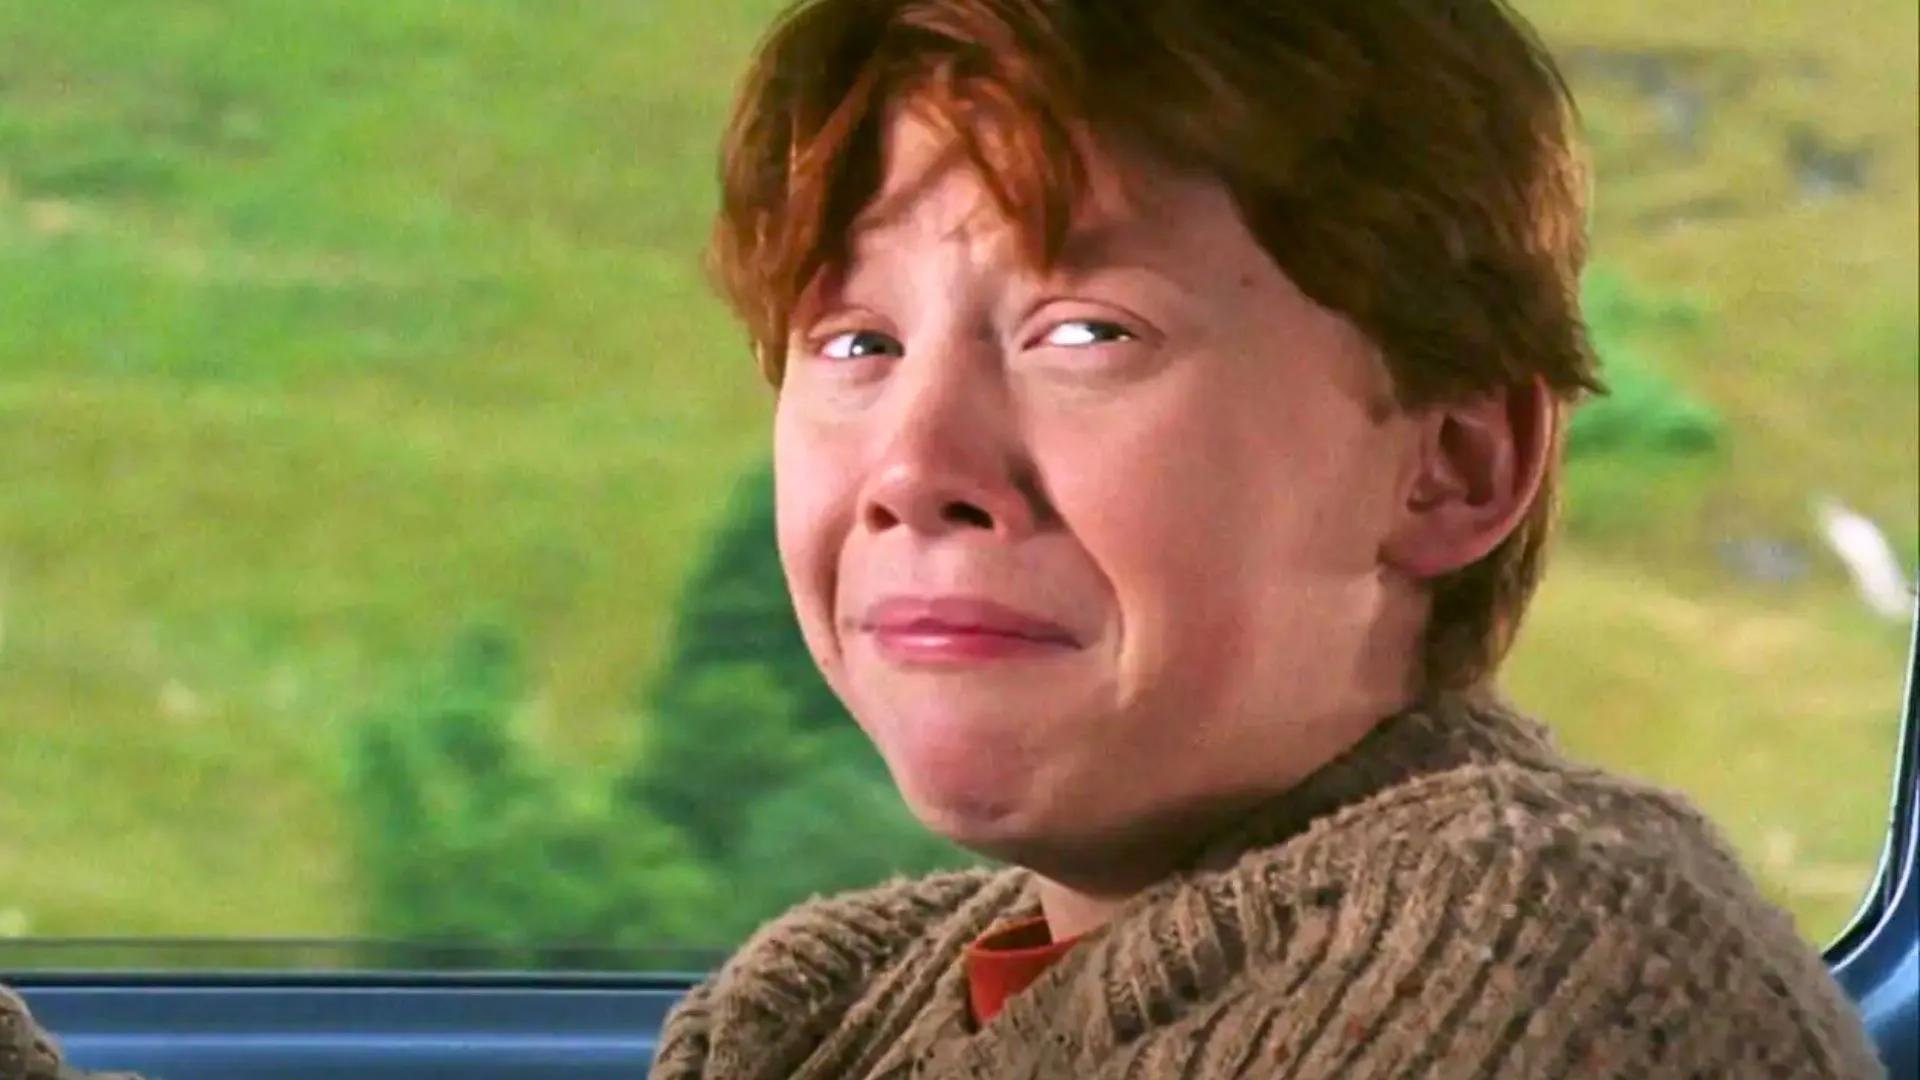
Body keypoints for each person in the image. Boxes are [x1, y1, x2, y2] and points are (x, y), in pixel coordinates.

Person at [0, 0, 1889, 1077]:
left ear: (1454, 464)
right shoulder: (821, 1008)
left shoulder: (1533, 951)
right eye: (853, 342)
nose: (916, 463)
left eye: (1086, 332)